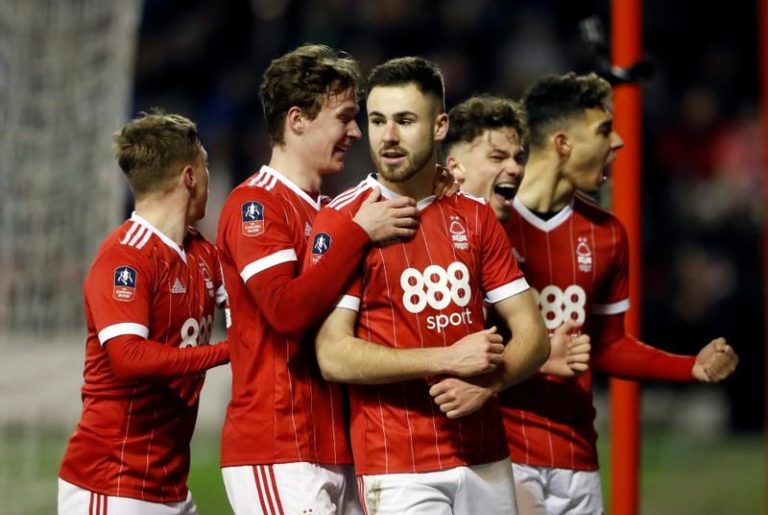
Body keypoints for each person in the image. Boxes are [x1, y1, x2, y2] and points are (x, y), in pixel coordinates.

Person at [435, 74, 739, 514]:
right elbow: (452, 340)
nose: (617, 142)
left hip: (577, 452)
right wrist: (541, 356)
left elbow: (607, 345)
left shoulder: (606, 233)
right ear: (563, 143)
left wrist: (688, 366)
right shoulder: (483, 223)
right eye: (603, 130)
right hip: (502, 447)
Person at [307, 57, 550, 514]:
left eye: (404, 121)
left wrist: (488, 384)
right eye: (377, 120)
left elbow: (534, 336)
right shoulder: (345, 220)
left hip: (486, 456)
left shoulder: (474, 216)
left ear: (440, 127)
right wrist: (447, 358)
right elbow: (333, 355)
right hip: (398, 466)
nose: (388, 136)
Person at [216, 44, 421, 515]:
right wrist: (358, 235)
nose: (356, 132)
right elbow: (286, 312)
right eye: (344, 117)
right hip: (278, 447)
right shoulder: (256, 204)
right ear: (298, 119)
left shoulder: (335, 212)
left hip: (337, 444)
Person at [58, 111, 230, 515]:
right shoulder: (124, 257)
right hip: (110, 482)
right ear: (190, 176)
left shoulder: (204, 254)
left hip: (170, 484)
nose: (209, 178)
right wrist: (229, 350)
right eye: (206, 166)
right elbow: (129, 357)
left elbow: (260, 310)